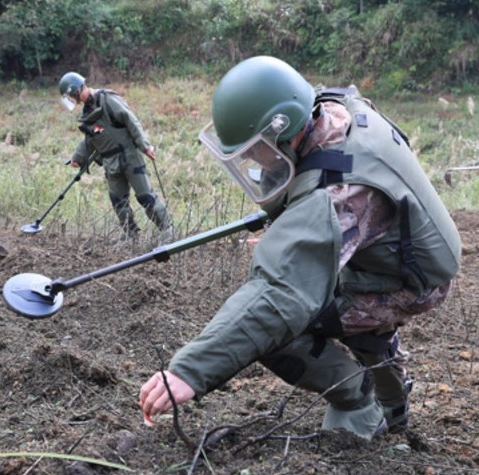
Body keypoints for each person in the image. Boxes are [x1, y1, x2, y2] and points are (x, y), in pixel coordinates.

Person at [139, 56, 461, 439]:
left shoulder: (337, 192)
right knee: (339, 313)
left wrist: (189, 370)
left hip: (405, 280)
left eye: (255, 149)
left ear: (283, 129)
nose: (251, 159)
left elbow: (279, 295)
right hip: (397, 255)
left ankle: (360, 401)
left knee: (281, 330)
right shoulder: (334, 109)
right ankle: (393, 405)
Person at [59, 72, 173, 241]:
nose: (75, 100)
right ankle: (131, 234)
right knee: (118, 201)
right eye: (72, 98)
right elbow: (92, 136)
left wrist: (145, 146)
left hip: (130, 156)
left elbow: (131, 121)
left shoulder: (107, 99)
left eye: (74, 96)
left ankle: (167, 230)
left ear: (80, 89)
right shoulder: (87, 114)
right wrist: (78, 157)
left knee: (145, 196)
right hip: (111, 162)